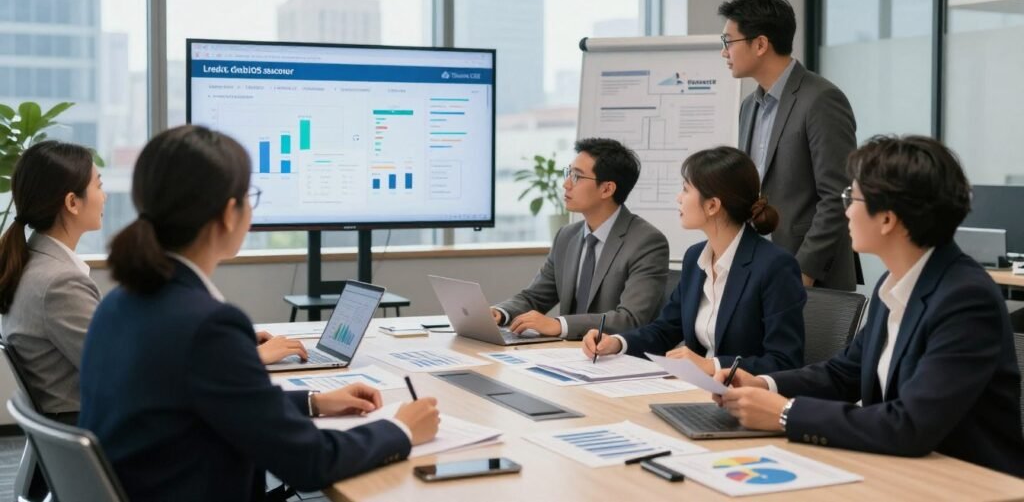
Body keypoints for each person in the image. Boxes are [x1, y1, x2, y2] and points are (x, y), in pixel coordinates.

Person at [79, 126, 441, 500]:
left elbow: (214, 402)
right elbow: (308, 462)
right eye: (249, 196)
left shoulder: (119, 303)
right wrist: (401, 429)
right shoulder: (208, 326)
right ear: (228, 214)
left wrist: (314, 402)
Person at [714, 136, 1024, 478]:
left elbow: (911, 424)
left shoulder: (965, 299)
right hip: (900, 470)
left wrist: (786, 413)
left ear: (887, 219)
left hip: (968, 483)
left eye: (852, 197)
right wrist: (764, 385)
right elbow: (843, 373)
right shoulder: (893, 283)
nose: (846, 210)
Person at [583, 146, 806, 375]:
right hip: (694, 386)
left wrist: (712, 365)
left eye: (685, 189)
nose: (679, 198)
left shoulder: (775, 265)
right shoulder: (695, 258)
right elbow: (666, 329)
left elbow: (784, 361)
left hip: (740, 391)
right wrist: (617, 343)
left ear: (712, 206)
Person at [719, 0, 858, 291]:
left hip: (808, 275)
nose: (724, 52)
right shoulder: (749, 106)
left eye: (728, 41)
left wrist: (804, 270)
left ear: (760, 44)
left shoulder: (821, 99)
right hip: (757, 268)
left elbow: (839, 195)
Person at [491, 138, 669, 339]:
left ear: (607, 189)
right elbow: (535, 297)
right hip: (564, 351)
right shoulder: (566, 236)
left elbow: (630, 319)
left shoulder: (647, 242)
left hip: (613, 353)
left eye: (577, 176)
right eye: (569, 173)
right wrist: (500, 312)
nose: (566, 184)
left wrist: (559, 325)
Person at [0, 142, 104, 423]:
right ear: (72, 202)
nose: (104, 196)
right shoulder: (60, 283)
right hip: (88, 427)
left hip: (67, 425)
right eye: (99, 186)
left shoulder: (29, 263)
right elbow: (116, 369)